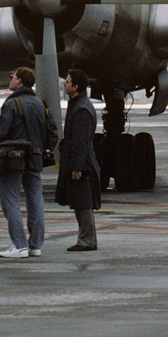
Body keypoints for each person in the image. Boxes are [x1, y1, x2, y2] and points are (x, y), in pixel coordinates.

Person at [0, 66, 57, 258]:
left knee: (10, 200)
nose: (10, 79)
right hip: (34, 158)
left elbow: (2, 132)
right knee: (36, 200)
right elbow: (52, 134)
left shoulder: (12, 104)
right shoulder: (40, 104)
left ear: (19, 81)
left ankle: (19, 245)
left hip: (13, 160)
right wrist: (40, 149)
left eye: (12, 77)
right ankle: (35, 245)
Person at [57, 68, 101, 251]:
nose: (64, 84)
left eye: (67, 82)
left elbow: (81, 141)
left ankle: (86, 240)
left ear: (75, 87)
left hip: (81, 163)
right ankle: (88, 239)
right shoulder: (79, 104)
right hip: (79, 160)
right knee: (79, 200)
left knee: (82, 202)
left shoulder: (81, 109)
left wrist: (76, 167)